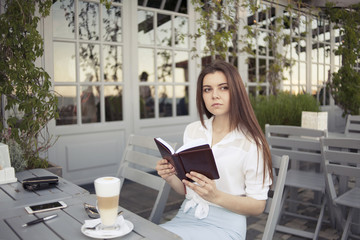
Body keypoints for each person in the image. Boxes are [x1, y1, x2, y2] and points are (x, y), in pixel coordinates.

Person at [156, 60, 273, 240]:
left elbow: (258, 206)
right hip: (187, 215)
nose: (214, 95)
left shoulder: (251, 142)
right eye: (207, 89)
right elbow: (187, 189)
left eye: (223, 88)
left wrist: (216, 196)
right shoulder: (193, 131)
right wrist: (170, 176)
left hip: (226, 224)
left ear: (236, 91)